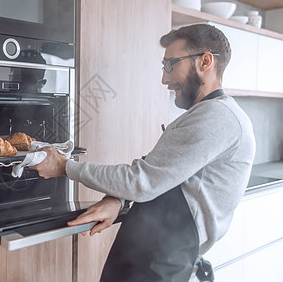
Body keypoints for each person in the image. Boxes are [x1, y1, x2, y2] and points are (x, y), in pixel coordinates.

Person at [32, 23, 256, 281]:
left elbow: (142, 181)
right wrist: (118, 200)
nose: (164, 78)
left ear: (205, 61)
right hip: (147, 256)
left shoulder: (218, 118)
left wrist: (65, 166)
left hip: (161, 264)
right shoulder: (205, 116)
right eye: (164, 67)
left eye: (170, 65)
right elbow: (160, 174)